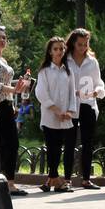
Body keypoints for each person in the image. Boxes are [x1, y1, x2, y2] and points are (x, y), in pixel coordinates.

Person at [35, 36, 78, 192]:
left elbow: (72, 93)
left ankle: (51, 181)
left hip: (64, 117)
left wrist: (69, 112)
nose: (59, 51)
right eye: (56, 49)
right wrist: (56, 110)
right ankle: (56, 180)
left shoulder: (69, 71)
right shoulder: (44, 71)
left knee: (58, 147)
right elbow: (41, 93)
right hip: (50, 115)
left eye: (61, 48)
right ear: (50, 51)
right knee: (51, 146)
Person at [64, 28, 105, 189]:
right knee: (69, 142)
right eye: (80, 44)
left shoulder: (92, 61)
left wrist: (97, 92)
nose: (82, 48)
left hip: (88, 105)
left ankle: (86, 179)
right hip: (71, 106)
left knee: (88, 143)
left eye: (85, 44)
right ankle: (66, 180)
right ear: (73, 43)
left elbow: (99, 82)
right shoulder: (65, 60)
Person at [0, 26, 31, 196]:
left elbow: (9, 86)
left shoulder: (3, 61)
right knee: (6, 144)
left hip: (6, 105)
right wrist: (13, 90)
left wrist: (21, 84)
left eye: (4, 37)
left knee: (10, 143)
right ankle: (6, 183)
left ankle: (8, 181)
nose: (2, 40)